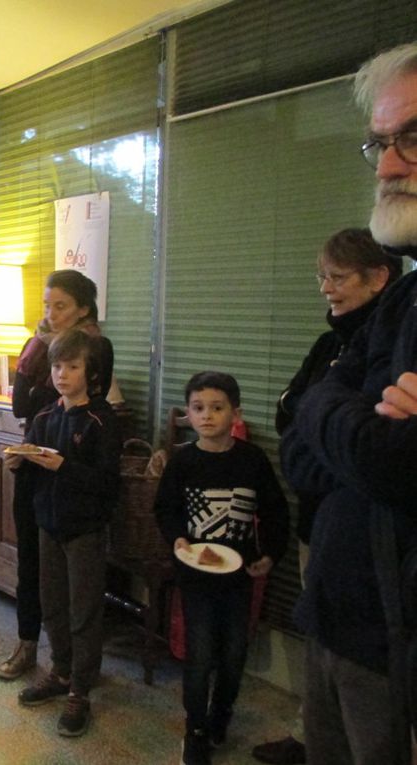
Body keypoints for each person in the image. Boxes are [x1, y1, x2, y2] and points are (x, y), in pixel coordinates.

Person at [279, 42, 417, 765]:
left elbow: (387, 457)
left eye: (412, 138)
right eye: (380, 143)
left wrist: (333, 415)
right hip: (337, 608)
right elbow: (301, 448)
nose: (388, 165)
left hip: (390, 644)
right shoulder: (400, 304)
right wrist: (350, 412)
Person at [252, 229, 400, 765]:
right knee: (321, 652)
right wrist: (334, 431)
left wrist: (322, 422)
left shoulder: (394, 347)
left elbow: (378, 456)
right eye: (322, 277)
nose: (324, 289)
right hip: (318, 523)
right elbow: (289, 418)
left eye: (336, 277)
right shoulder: (329, 345)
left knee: (366, 698)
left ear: (378, 278)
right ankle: (307, 735)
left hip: (371, 546)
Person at [155, 372, 289, 765]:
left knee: (233, 654)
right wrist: (178, 538)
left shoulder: (252, 460)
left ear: (236, 413)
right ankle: (195, 729)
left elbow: (276, 511)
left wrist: (270, 554)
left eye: (217, 408)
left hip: (239, 577)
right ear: (189, 414)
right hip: (195, 576)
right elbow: (165, 508)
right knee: (199, 654)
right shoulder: (183, 461)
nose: (207, 416)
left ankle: (221, 715)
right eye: (198, 408)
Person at [0, 269, 115, 681]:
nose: (50, 314)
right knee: (31, 562)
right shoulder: (42, 345)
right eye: (47, 305)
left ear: (83, 308)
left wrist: (43, 359)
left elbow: (78, 399)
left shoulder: (95, 347)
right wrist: (37, 343)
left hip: (72, 471)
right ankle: (29, 644)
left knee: (76, 590)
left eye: (60, 306)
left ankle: (74, 672)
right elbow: (21, 403)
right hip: (36, 457)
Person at [9, 328, 120, 738]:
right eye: (57, 366)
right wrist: (18, 462)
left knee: (83, 608)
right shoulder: (44, 416)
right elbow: (32, 467)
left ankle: (81, 689)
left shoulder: (101, 420)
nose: (62, 374)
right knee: (52, 602)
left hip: (85, 528)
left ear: (90, 373)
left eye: (72, 367)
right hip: (48, 523)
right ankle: (60, 672)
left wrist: (63, 467)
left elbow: (107, 483)